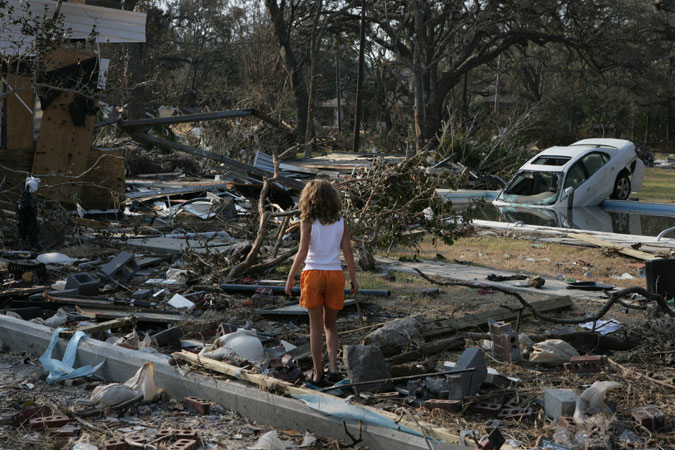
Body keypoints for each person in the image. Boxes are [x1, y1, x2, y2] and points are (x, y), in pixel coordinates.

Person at [285, 179, 358, 385]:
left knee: (315, 327)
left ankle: (318, 373)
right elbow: (348, 251)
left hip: (313, 274)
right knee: (331, 326)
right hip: (335, 275)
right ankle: (333, 368)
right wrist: (353, 279)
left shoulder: (307, 221)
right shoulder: (341, 221)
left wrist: (291, 276)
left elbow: (302, 251)